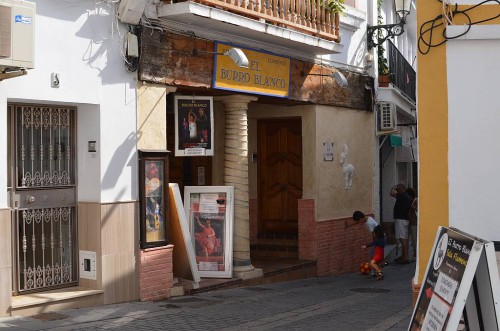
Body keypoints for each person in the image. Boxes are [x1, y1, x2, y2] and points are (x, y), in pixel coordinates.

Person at [390, 183, 412, 264]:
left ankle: (405, 257)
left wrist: (393, 187)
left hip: (401, 219)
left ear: (402, 188)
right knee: (404, 238)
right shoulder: (405, 196)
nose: (397, 189)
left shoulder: (402, 195)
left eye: (398, 187)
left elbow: (391, 193)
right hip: (403, 219)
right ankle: (404, 255)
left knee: (402, 238)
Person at [407, 187, 418, 261]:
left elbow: (419, 209)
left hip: (415, 222)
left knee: (414, 239)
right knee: (411, 239)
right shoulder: (409, 200)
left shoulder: (416, 200)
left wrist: (413, 207)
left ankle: (415, 254)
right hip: (409, 222)